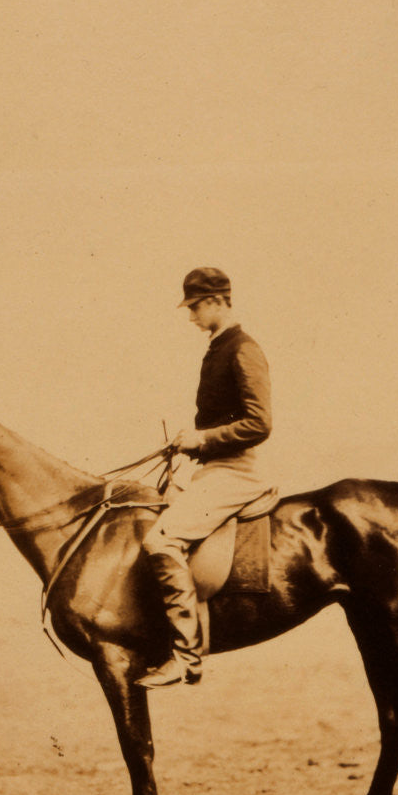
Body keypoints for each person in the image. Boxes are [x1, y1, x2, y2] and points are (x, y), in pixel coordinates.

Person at [138, 267, 273, 688]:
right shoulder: (217, 347)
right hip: (213, 467)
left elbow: (260, 423)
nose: (191, 316)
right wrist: (193, 443)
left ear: (216, 301)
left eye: (195, 306)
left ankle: (186, 656)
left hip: (237, 471)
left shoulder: (243, 348)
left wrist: (203, 439)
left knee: (160, 540)